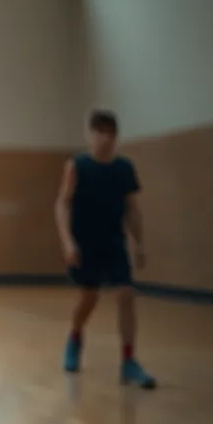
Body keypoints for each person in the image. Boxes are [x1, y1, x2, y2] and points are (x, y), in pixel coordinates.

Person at [55, 110, 155, 388]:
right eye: (99, 132)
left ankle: (129, 362)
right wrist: (67, 241)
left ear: (115, 137)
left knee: (126, 294)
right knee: (89, 298)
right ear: (90, 135)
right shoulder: (77, 165)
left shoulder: (124, 168)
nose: (104, 139)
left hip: (114, 243)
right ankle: (75, 337)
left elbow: (133, 211)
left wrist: (140, 243)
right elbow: (62, 204)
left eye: (109, 134)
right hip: (85, 244)